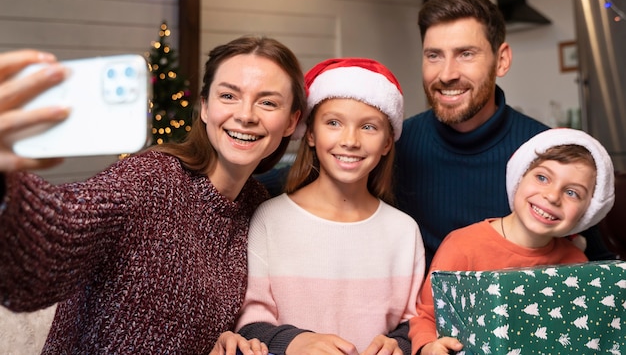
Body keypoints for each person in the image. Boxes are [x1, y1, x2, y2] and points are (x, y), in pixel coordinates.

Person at [0, 36, 307, 354]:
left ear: (291, 122)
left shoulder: (257, 205)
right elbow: (47, 251)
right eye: (229, 95)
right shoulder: (151, 179)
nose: (246, 115)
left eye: (267, 102)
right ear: (204, 107)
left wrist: (223, 335)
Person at [394, 0, 613, 268]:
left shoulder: (545, 153)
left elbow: (596, 264)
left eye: (466, 54)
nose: (447, 73)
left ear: (502, 60)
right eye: (434, 55)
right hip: (424, 309)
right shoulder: (397, 145)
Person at [234, 58, 426, 355]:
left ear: (388, 142)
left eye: (369, 127)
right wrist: (294, 341)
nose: (350, 140)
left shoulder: (403, 231)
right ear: (310, 134)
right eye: (333, 123)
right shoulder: (269, 219)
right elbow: (249, 322)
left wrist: (399, 342)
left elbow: (413, 321)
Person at [409, 128, 615, 355]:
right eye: (542, 177)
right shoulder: (462, 246)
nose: (553, 196)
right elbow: (427, 315)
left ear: (587, 212)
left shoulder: (576, 263)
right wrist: (429, 346)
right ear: (519, 177)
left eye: (572, 193)